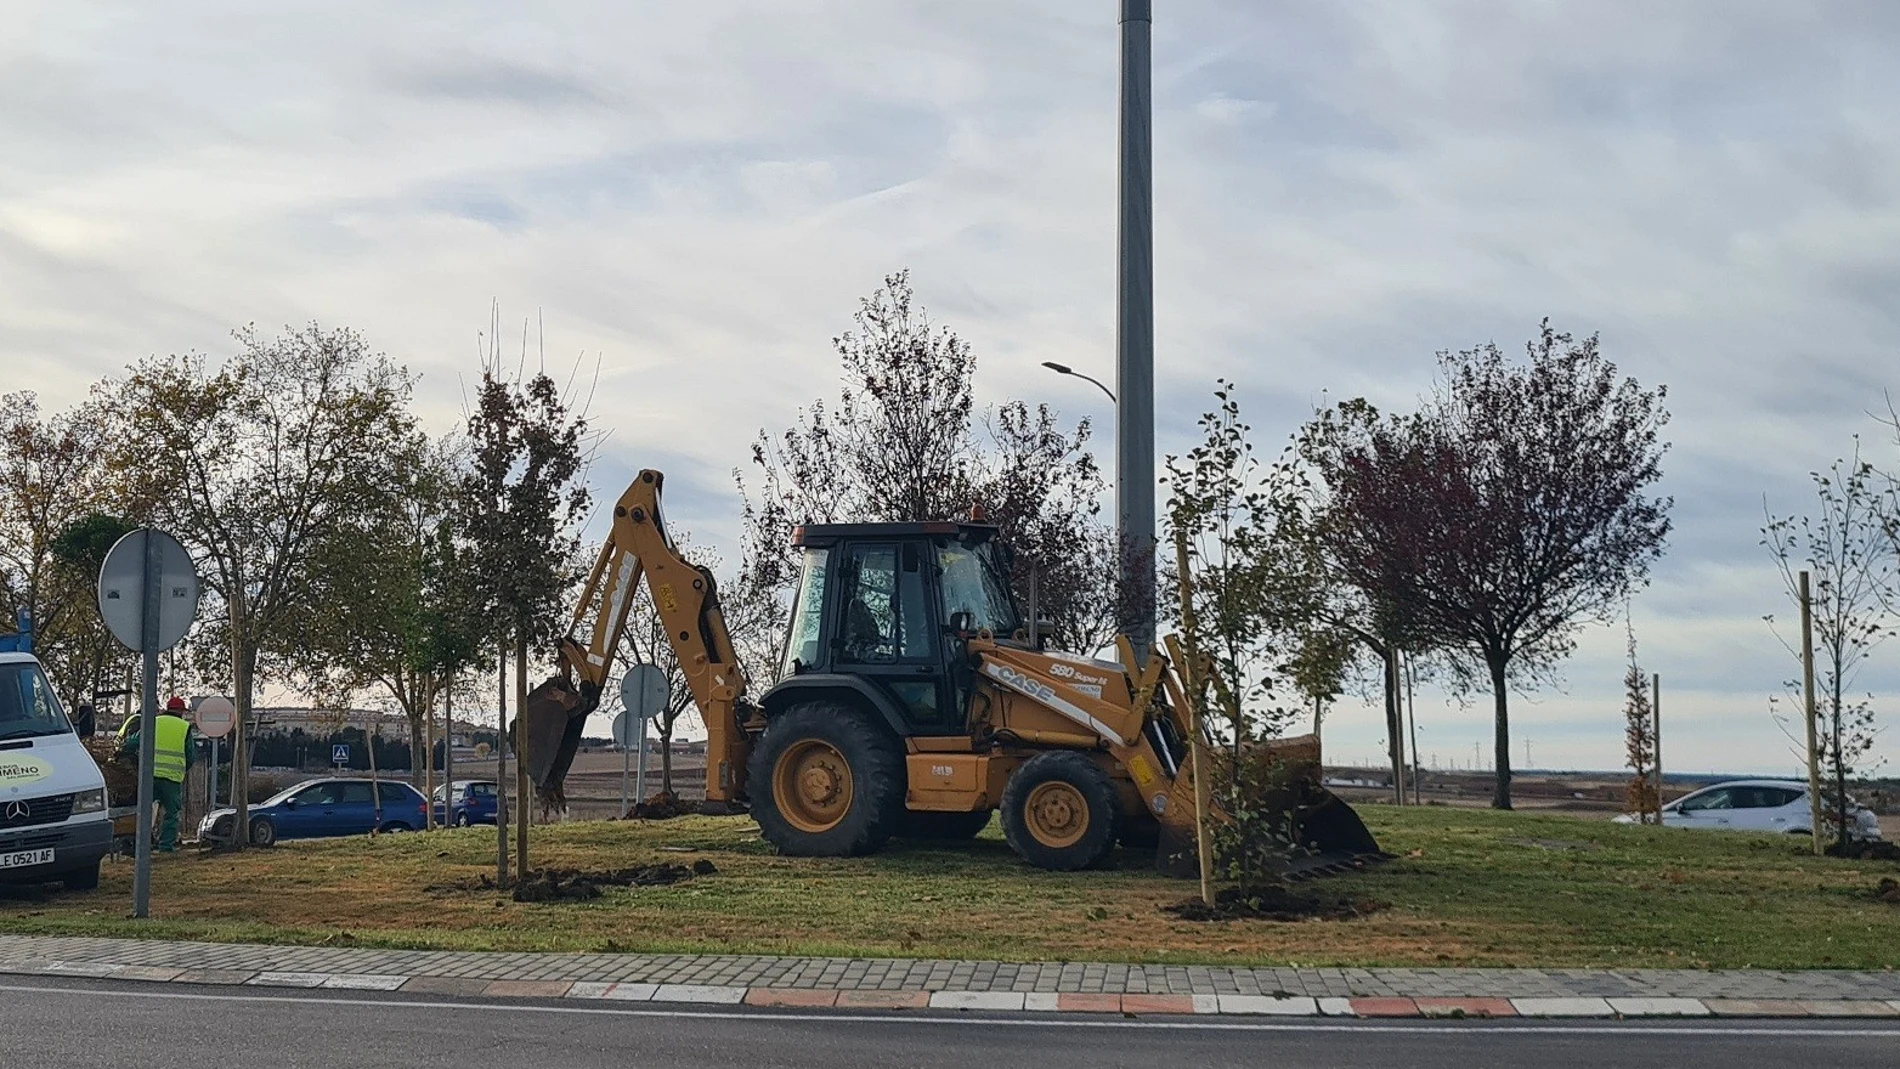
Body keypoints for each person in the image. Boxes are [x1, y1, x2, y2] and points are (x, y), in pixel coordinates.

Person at [119, 697, 195, 852]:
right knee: (171, 814)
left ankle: (138, 846)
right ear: (181, 711)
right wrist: (182, 769)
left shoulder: (153, 722)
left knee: (144, 812)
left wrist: (127, 760)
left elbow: (131, 743)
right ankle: (165, 847)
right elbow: (191, 755)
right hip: (171, 779)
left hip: (149, 777)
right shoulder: (184, 727)